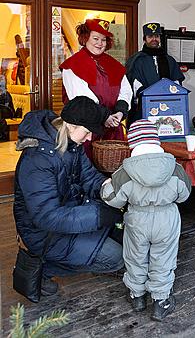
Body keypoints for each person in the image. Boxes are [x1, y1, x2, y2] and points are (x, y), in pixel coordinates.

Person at [13, 96, 124, 297]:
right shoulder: (37, 159)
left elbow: (89, 177)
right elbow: (47, 217)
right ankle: (43, 269)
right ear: (71, 125)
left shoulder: (72, 143)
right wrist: (99, 215)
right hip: (42, 232)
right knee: (115, 258)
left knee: (122, 236)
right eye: (87, 131)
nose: (89, 138)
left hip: (68, 216)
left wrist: (110, 188)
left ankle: (69, 257)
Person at [101, 119, 192, 321]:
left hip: (137, 219)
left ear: (132, 143)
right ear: (155, 141)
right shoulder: (174, 167)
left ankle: (137, 296)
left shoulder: (124, 172)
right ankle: (161, 301)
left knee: (135, 256)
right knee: (164, 258)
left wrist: (106, 184)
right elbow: (184, 194)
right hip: (167, 218)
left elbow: (112, 199)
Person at [59, 18, 132, 158]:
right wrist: (105, 116)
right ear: (85, 38)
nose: (100, 43)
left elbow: (125, 90)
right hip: (84, 130)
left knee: (113, 167)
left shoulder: (114, 64)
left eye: (103, 40)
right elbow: (81, 99)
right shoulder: (72, 65)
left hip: (112, 129)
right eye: (96, 38)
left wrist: (120, 112)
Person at [125, 22, 185, 125]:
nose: (154, 39)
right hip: (143, 108)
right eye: (150, 36)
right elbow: (135, 84)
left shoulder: (169, 60)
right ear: (144, 39)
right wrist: (150, 98)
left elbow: (176, 84)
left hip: (168, 108)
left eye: (157, 36)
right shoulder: (136, 60)